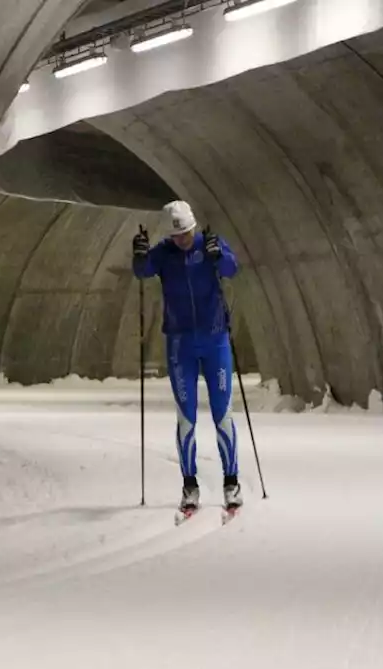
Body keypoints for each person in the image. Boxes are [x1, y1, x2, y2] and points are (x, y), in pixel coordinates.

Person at [132, 200, 242, 513]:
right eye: (178, 235)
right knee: (186, 416)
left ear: (194, 226)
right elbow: (142, 271)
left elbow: (231, 269)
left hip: (215, 339)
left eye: (187, 233)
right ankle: (189, 485)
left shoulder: (209, 244)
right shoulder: (164, 253)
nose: (183, 239)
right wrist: (139, 253)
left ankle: (231, 481)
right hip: (181, 343)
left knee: (223, 412)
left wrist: (218, 256)